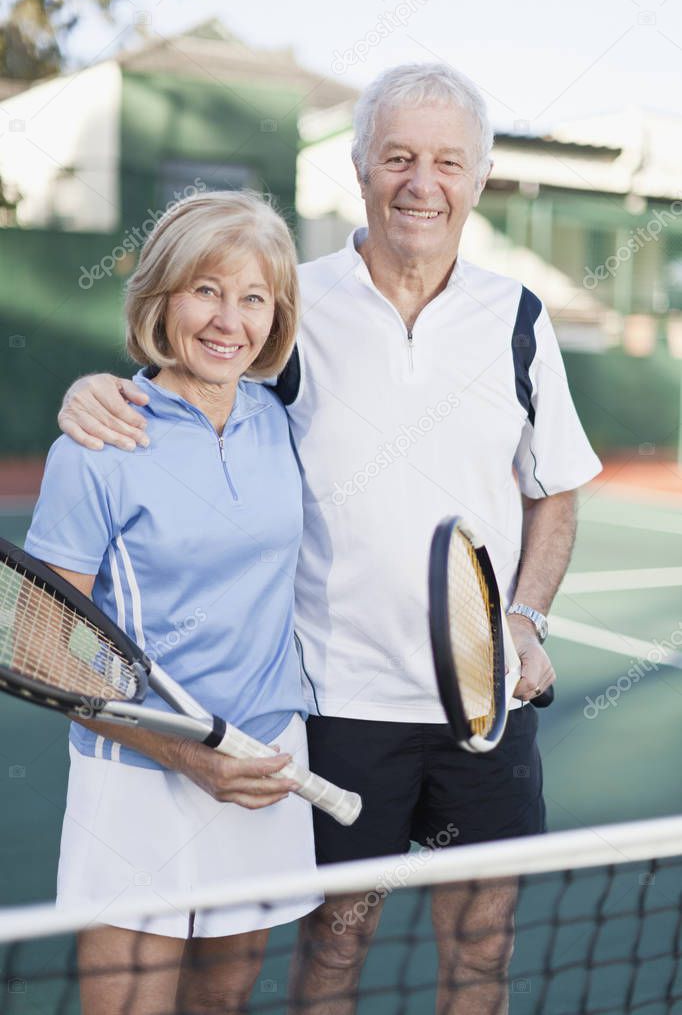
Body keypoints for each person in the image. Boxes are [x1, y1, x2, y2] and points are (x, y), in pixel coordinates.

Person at [57, 63, 602, 1014]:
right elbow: (196, 372)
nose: (419, 183)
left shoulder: (519, 318)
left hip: (482, 713)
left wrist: (524, 618)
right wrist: (96, 388)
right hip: (334, 708)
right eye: (396, 157)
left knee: (488, 950)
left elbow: (553, 491)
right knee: (335, 953)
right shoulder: (290, 305)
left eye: (445, 162)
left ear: (477, 179)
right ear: (359, 170)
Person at [25, 190, 320, 1015]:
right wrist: (191, 756)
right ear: (161, 297)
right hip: (139, 782)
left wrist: (238, 761)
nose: (231, 320)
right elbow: (47, 646)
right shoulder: (97, 445)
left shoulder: (286, 422)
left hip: (266, 761)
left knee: (223, 1001)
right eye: (206, 290)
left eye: (254, 297)